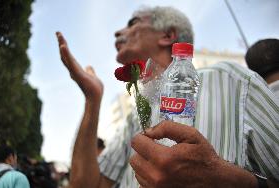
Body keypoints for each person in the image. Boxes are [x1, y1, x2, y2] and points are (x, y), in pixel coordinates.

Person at [56, 6, 279, 188]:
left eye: (133, 22)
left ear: (167, 35)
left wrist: (228, 180)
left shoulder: (232, 83)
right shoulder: (133, 117)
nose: (118, 32)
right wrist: (92, 100)